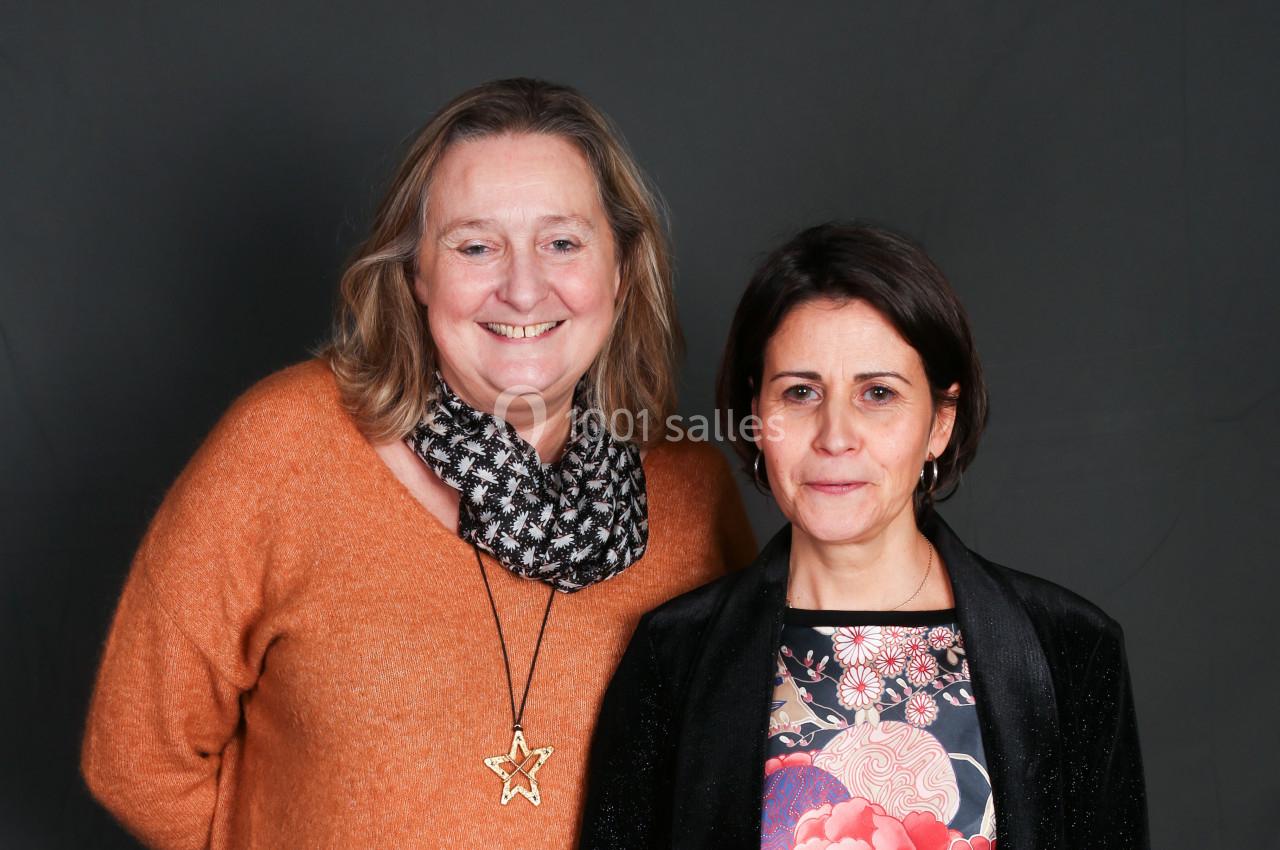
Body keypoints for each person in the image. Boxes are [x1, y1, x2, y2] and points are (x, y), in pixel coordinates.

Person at [81, 78, 756, 849]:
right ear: (416, 274)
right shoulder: (284, 446)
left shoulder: (691, 491)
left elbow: (742, 769)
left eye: (562, 243)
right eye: (476, 246)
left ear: (622, 269)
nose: (523, 288)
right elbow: (136, 758)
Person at [579, 222, 1148, 849]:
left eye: (878, 393)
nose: (835, 436)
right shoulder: (673, 656)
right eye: (800, 392)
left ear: (941, 422)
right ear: (756, 416)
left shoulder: (1071, 648)